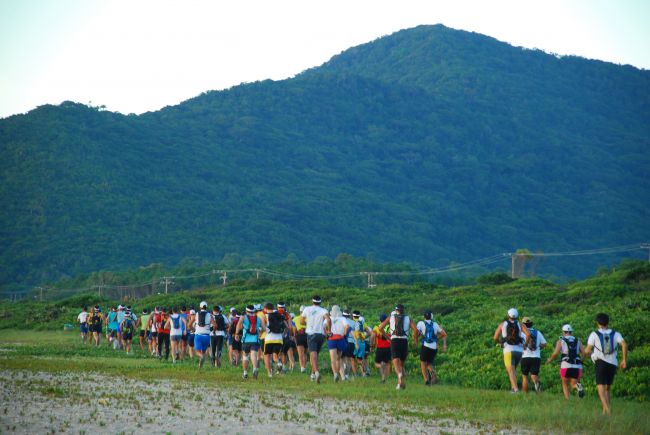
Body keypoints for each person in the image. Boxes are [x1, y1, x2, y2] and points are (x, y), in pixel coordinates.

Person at [584, 313, 628, 414]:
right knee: (608, 388)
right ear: (608, 322)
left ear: (597, 323)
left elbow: (587, 350)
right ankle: (605, 411)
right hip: (613, 363)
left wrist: (585, 354)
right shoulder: (615, 333)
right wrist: (624, 360)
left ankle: (607, 409)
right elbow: (624, 345)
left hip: (600, 362)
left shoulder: (594, 334)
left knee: (600, 387)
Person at [378, 304, 418, 390]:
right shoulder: (408, 318)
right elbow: (415, 330)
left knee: (396, 363)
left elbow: (380, 328)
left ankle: (400, 375)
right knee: (402, 364)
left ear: (396, 310)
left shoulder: (390, 317)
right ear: (403, 310)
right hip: (404, 341)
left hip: (394, 341)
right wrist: (415, 340)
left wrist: (388, 337)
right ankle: (400, 384)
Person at [492, 308, 529, 393]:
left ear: (508, 315)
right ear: (517, 316)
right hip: (519, 351)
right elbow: (528, 334)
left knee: (511, 371)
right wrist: (525, 345)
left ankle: (516, 390)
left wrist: (500, 343)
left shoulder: (502, 324)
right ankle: (513, 389)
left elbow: (495, 337)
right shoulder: (520, 325)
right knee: (513, 370)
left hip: (508, 350)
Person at [546, 324, 585, 400]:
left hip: (565, 365)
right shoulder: (578, 340)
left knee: (565, 384)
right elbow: (584, 353)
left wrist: (550, 360)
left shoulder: (561, 341)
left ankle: (568, 400)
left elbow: (555, 353)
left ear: (563, 332)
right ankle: (577, 387)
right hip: (577, 365)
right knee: (573, 384)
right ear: (571, 332)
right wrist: (581, 361)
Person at [300, 295, 330, 383]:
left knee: (312, 354)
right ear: (320, 302)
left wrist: (308, 322)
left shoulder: (307, 309)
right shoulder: (323, 310)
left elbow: (301, 321)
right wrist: (329, 330)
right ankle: (312, 374)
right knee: (316, 355)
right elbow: (328, 319)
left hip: (311, 334)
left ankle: (316, 372)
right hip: (320, 335)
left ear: (312, 301)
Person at [416, 310, 447, 386]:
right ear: (431, 316)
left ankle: (426, 380)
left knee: (423, 363)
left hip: (426, 346)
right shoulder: (435, 324)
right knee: (429, 363)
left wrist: (417, 339)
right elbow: (444, 334)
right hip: (434, 348)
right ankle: (433, 374)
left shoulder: (420, 323)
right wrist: (437, 339)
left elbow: (416, 334)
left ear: (424, 317)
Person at [520, 317, 546, 393]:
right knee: (534, 375)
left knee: (525, 377)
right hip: (536, 357)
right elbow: (544, 344)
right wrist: (538, 348)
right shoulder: (538, 332)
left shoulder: (521, 333)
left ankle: (526, 396)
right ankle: (536, 383)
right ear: (531, 324)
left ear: (523, 325)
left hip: (525, 357)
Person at [235, 305, 262, 379]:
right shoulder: (258, 318)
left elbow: (238, 325)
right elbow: (264, 328)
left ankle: (245, 373)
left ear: (246, 311)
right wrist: (260, 332)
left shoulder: (243, 317)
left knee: (245, 356)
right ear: (254, 311)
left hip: (245, 340)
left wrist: (237, 334)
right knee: (253, 355)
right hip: (255, 340)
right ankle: (255, 369)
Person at [262, 302, 288, 377]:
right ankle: (278, 362)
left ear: (266, 309)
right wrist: (283, 335)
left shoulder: (265, 316)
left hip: (269, 339)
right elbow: (286, 327)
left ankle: (269, 373)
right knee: (275, 355)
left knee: (266, 355)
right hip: (279, 338)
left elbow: (263, 328)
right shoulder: (280, 315)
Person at [326, 305, 349, 382]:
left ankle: (335, 374)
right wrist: (345, 334)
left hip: (332, 339)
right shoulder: (342, 318)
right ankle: (339, 375)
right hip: (340, 339)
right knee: (338, 358)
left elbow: (323, 326)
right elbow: (347, 326)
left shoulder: (329, 318)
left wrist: (327, 333)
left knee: (333, 359)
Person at [191, 301, 214, 368]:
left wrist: (194, 329)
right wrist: (211, 330)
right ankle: (200, 367)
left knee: (197, 351)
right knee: (203, 351)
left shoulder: (196, 314)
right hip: (207, 336)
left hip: (198, 335)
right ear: (206, 307)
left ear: (200, 307)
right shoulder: (210, 315)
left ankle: (202, 357)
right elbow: (215, 325)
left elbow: (189, 325)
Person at [371, 314, 391, 383]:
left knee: (377, 363)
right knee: (388, 363)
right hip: (388, 347)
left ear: (380, 320)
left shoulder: (377, 327)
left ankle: (380, 366)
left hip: (380, 348)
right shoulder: (390, 327)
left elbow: (372, 337)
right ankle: (385, 378)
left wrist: (371, 345)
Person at [352, 311, 372, 377]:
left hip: (355, 342)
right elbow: (369, 333)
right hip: (362, 342)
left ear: (353, 316)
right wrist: (363, 338)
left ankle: (355, 374)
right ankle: (363, 373)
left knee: (352, 358)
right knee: (360, 358)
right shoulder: (363, 323)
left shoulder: (352, 322)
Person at [342, 309, 358, 378]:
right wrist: (356, 342)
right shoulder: (354, 322)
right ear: (349, 315)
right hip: (351, 342)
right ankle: (347, 374)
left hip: (342, 341)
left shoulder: (341, 321)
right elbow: (355, 333)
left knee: (342, 358)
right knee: (350, 359)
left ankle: (342, 373)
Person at [294, 305, 308, 373]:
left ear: (300, 311)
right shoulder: (308, 318)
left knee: (300, 354)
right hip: (307, 336)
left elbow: (294, 329)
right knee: (305, 353)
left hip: (299, 336)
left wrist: (294, 336)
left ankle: (302, 367)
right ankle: (304, 367)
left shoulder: (296, 318)